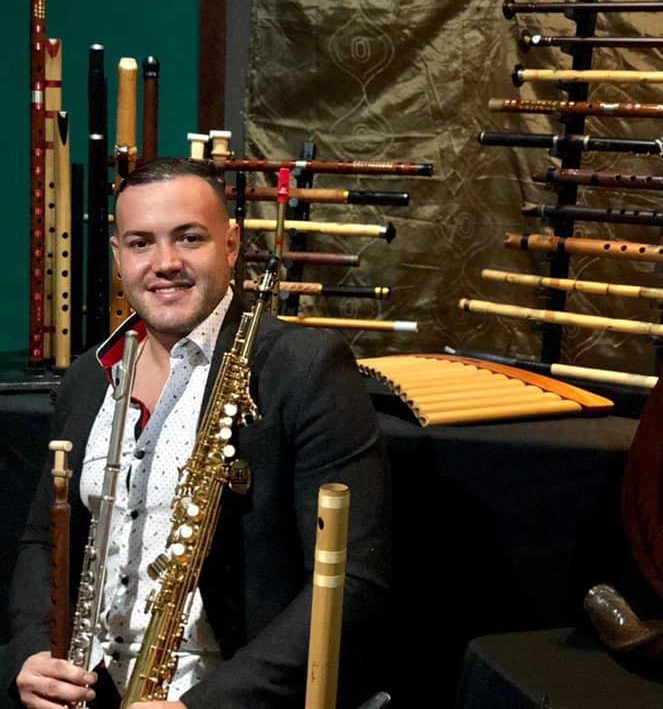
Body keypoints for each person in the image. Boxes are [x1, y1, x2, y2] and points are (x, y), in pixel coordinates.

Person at [5, 158, 391, 709]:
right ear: (119, 257)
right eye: (141, 243)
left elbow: (354, 582)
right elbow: (44, 539)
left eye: (189, 238)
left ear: (231, 244)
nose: (165, 263)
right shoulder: (89, 377)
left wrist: (206, 706)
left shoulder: (305, 369)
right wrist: (31, 654)